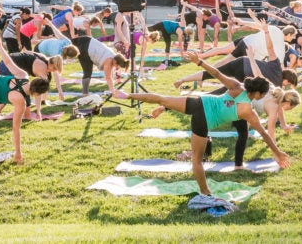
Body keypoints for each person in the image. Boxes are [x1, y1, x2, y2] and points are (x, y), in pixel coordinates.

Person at [115, 50, 290, 203]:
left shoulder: (237, 86)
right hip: (203, 120)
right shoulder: (249, 113)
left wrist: (199, 61)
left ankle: (126, 95)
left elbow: (216, 73)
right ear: (258, 93)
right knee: (197, 160)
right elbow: (265, 134)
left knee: (162, 99)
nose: (264, 96)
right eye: (264, 94)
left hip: (199, 103)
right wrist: (277, 152)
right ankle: (205, 192)